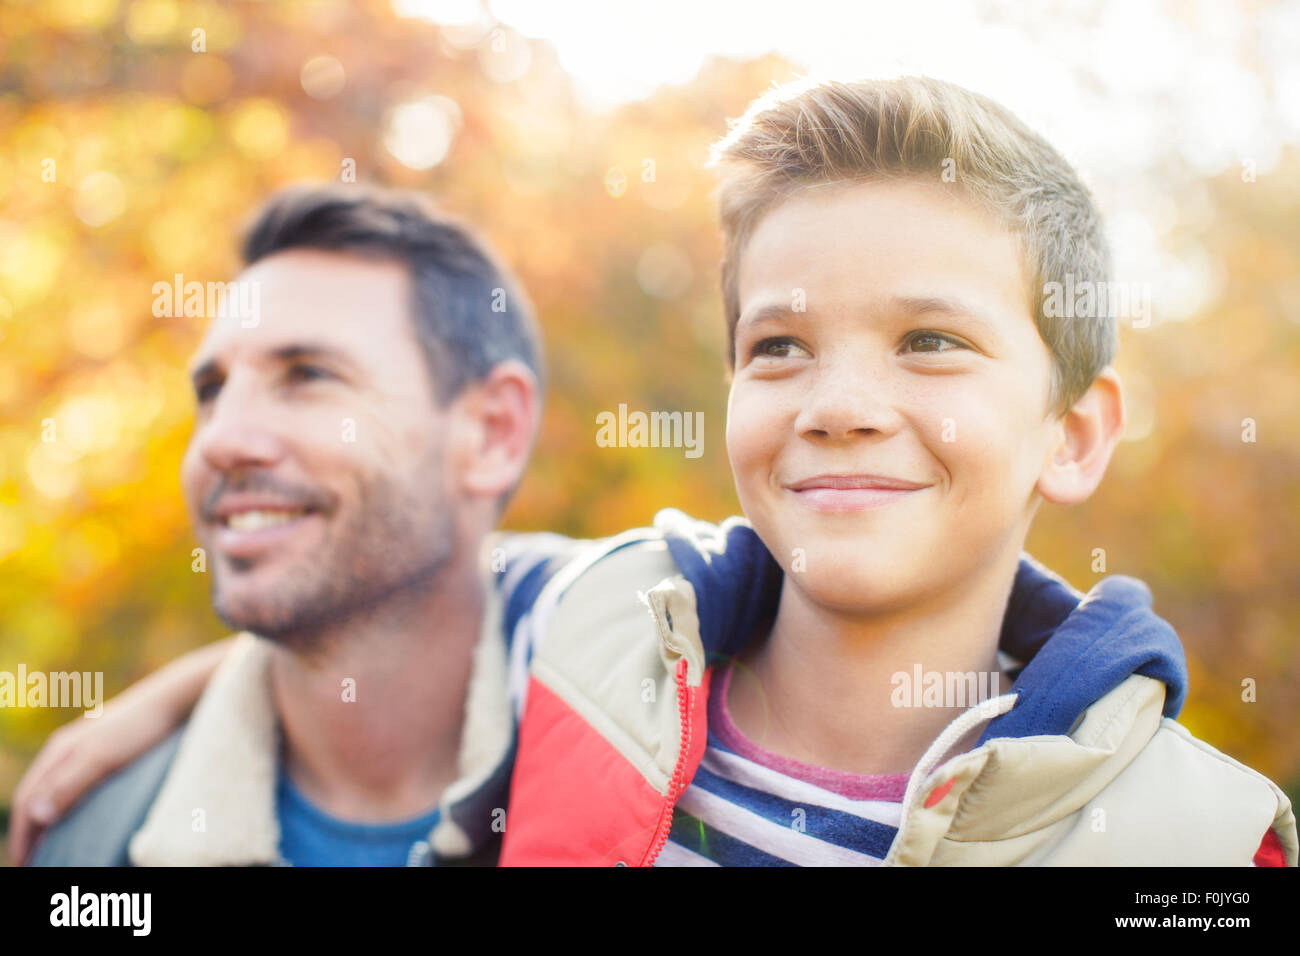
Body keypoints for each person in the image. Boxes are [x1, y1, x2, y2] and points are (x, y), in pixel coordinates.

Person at [16, 78, 1297, 867]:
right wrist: (168, 698)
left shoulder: (1198, 842)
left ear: (1072, 433)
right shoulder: (597, 626)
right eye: (780, 346)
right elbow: (381, 589)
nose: (841, 406)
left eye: (930, 342)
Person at [15, 183, 584, 866]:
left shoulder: (684, 794)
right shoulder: (88, 845)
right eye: (212, 391)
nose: (221, 441)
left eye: (308, 374)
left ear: (492, 433)